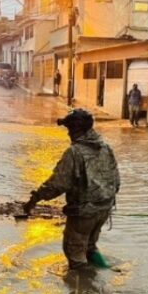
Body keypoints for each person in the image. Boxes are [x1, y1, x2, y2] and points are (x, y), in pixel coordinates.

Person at [23, 109, 121, 270]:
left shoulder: (74, 152)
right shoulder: (106, 148)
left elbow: (57, 184)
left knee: (74, 251)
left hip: (83, 212)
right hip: (105, 208)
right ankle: (104, 272)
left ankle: (85, 289)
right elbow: (116, 181)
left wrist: (34, 199)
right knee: (90, 246)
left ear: (76, 131)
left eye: (69, 129)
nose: (68, 134)